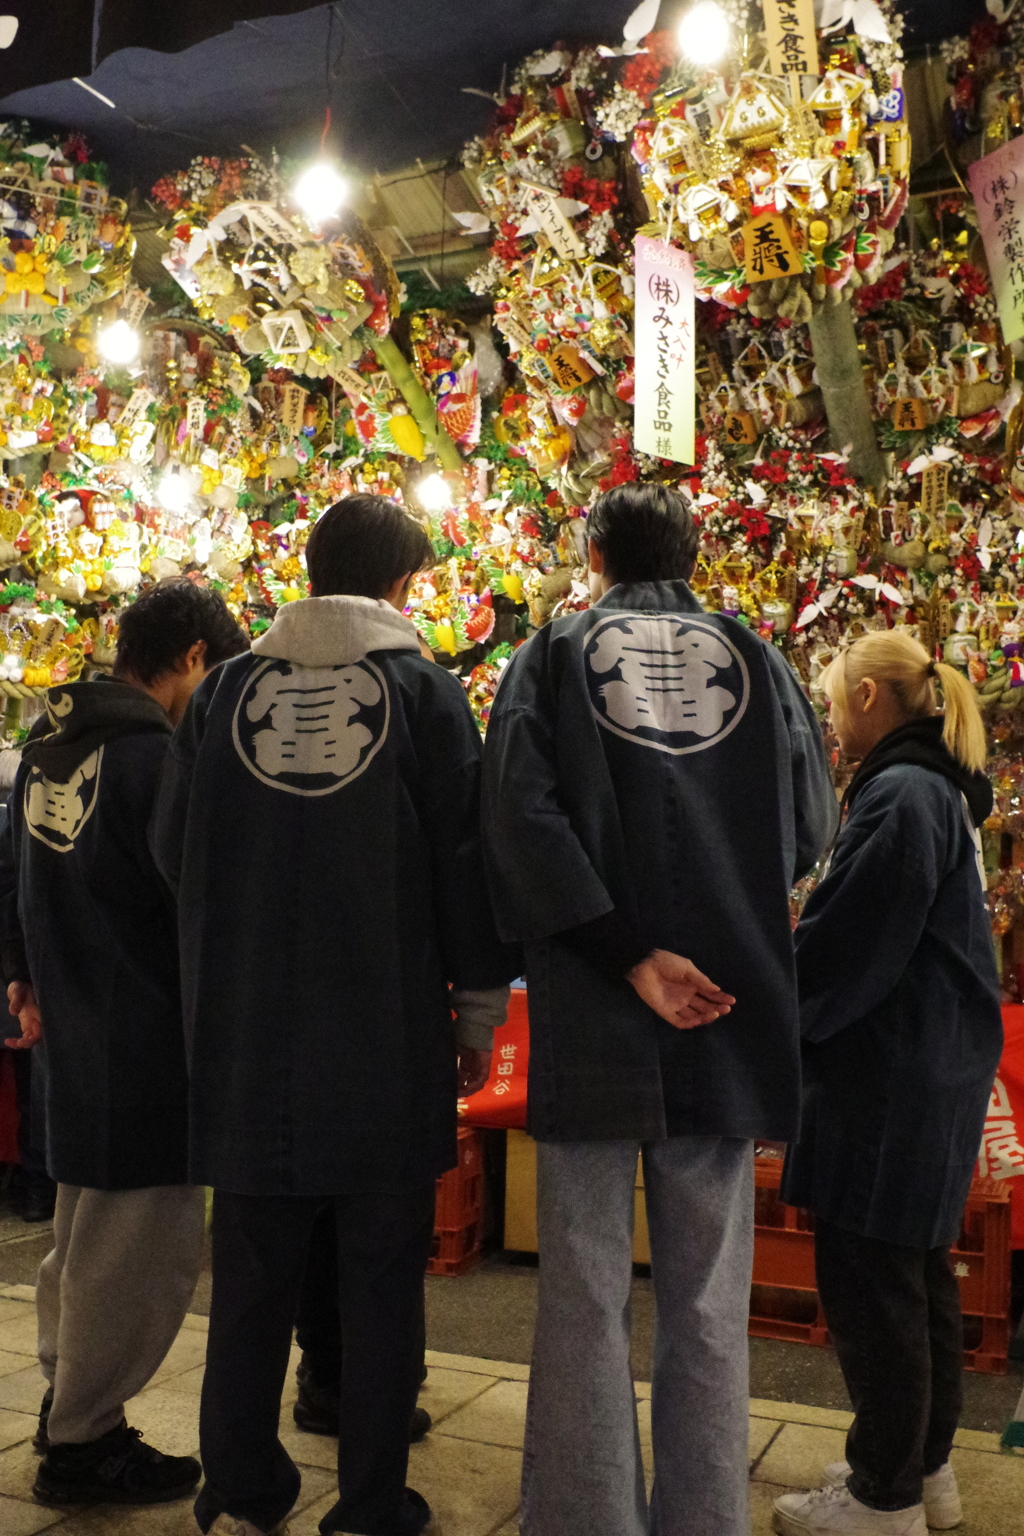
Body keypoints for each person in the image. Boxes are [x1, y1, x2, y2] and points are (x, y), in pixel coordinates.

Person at [150, 493, 517, 1536]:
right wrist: (478, 1017)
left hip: (245, 1039)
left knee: (253, 1277)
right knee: (380, 1280)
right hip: (383, 1036)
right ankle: (366, 1504)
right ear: (401, 586)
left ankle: (240, 1488)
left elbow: (174, 851)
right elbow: (464, 868)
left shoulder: (222, 694)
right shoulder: (426, 696)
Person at [481, 481, 837, 1536]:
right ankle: (703, 1518)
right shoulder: (756, 658)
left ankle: (587, 1520)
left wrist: (628, 951)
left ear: (593, 556)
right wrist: (721, 909)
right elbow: (811, 821)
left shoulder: (551, 656)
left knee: (584, 1293)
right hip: (724, 1008)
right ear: (691, 554)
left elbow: (516, 818)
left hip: (595, 1010)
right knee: (707, 1302)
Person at [0, 579, 247, 1506]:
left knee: (81, 1236)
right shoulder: (156, 760)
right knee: (135, 1253)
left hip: (70, 1026)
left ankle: (70, 1399)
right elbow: (199, 900)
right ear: (190, 657)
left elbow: (13, 874)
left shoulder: (49, 745)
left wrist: (21, 972)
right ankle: (83, 1441)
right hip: (147, 1036)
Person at [773, 631, 1002, 1536]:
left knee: (872, 1282)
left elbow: (851, 940)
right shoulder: (934, 787)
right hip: (926, 1064)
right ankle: (921, 1467)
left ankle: (882, 1496)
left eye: (834, 698)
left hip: (889, 1071)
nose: (831, 717)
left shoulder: (903, 793)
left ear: (871, 696)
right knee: (915, 1274)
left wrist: (777, 1014)